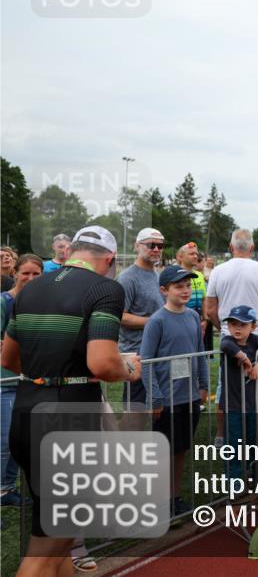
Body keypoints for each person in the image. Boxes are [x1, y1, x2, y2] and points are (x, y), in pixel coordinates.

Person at [2, 226, 142, 576]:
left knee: (59, 536)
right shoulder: (106, 288)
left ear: (74, 251)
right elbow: (102, 363)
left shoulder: (30, 288)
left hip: (27, 408)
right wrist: (127, 368)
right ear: (109, 260)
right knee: (44, 547)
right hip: (68, 419)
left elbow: (8, 357)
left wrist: (49, 374)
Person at [141, 264, 209, 516]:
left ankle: (174, 497)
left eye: (188, 285)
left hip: (189, 396)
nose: (185, 290)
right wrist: (156, 397)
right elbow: (146, 362)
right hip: (166, 400)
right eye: (178, 286)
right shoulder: (156, 321)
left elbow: (199, 354)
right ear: (164, 290)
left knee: (180, 448)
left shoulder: (192, 317)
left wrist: (203, 385)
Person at [205, 230, 258, 447]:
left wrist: (225, 328)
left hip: (229, 337)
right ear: (252, 248)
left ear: (231, 246)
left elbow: (210, 310)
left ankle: (221, 435)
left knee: (224, 386)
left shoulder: (218, 270)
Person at [0, 254, 43, 508]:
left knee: (18, 438)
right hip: (5, 381)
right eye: (25, 273)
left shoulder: (40, 304)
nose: (30, 278)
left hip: (28, 379)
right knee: (4, 440)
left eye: (36, 274)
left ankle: (6, 489)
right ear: (14, 273)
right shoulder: (4, 302)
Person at [218, 306, 258, 479]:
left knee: (257, 440)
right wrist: (244, 358)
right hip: (232, 405)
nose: (237, 328)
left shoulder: (254, 340)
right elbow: (225, 344)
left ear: (253, 327)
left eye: (242, 325)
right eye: (232, 324)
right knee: (234, 444)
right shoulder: (228, 341)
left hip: (253, 403)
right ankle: (234, 479)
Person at [118, 228, 166, 409]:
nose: (156, 249)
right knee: (135, 411)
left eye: (160, 245)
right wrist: (155, 322)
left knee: (157, 409)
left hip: (158, 354)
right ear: (137, 246)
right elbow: (119, 316)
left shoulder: (158, 275)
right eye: (151, 245)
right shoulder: (127, 278)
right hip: (136, 356)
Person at [176, 242, 211, 352]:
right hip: (181, 321)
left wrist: (205, 319)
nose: (195, 256)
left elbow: (204, 298)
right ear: (181, 257)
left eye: (196, 253)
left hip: (199, 322)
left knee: (197, 352)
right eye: (191, 254)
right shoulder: (175, 274)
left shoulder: (199, 275)